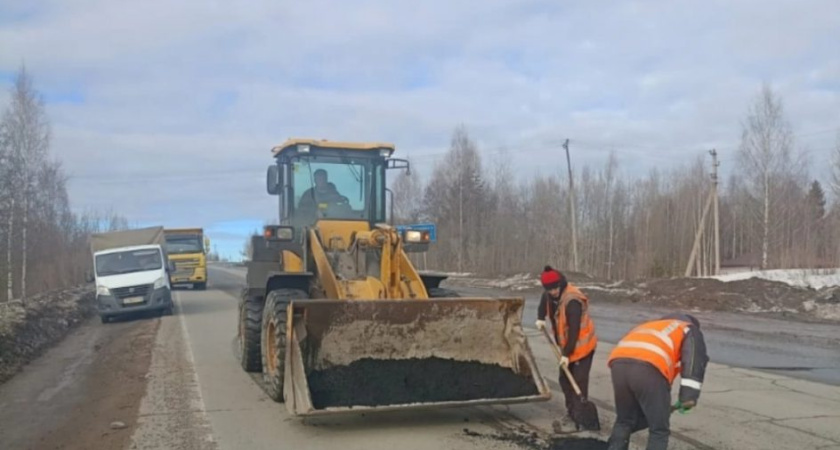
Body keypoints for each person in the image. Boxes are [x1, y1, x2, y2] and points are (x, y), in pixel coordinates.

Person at [606, 313, 709, 450]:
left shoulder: (650, 326)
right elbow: (694, 361)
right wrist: (688, 397)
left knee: (624, 420)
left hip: (618, 365)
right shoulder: (688, 328)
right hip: (649, 367)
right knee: (659, 430)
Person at [535, 265, 598, 429]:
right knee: (564, 380)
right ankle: (571, 413)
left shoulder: (572, 301)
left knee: (578, 382)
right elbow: (543, 302)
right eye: (550, 289)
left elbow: (574, 330)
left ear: (560, 283)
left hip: (582, 347)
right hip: (567, 347)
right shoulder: (549, 295)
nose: (553, 292)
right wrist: (540, 318)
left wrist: (566, 354)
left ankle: (581, 419)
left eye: (555, 288)